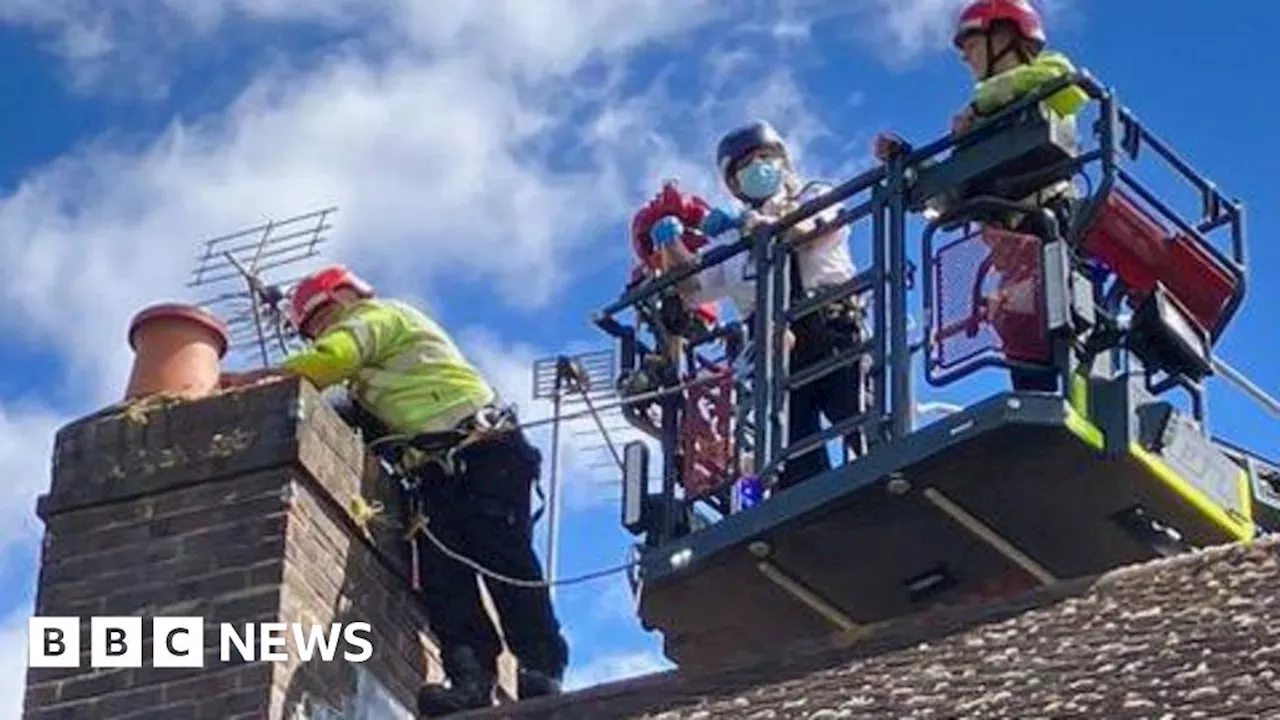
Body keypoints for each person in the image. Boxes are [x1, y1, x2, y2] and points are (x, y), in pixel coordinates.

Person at [221, 265, 568, 715]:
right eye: (312, 330)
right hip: (433, 472)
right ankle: (471, 680)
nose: (321, 332)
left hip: (483, 451)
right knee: (445, 581)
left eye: (322, 319)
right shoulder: (371, 380)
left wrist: (259, 381)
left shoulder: (378, 317)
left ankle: (540, 665)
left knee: (501, 553)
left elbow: (332, 358)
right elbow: (351, 409)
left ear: (346, 295)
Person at [873, 0, 1089, 392]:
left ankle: (1075, 411)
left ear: (1004, 37)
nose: (967, 60)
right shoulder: (976, 130)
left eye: (971, 47)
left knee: (1065, 330)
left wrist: (980, 103)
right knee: (1019, 331)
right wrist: (911, 167)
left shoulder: (1048, 81)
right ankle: (1040, 430)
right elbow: (952, 196)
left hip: (1050, 228)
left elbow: (1065, 79)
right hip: (1015, 252)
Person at [655, 120, 869, 491]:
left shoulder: (815, 194)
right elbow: (691, 286)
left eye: (765, 157)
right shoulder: (731, 242)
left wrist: (753, 223)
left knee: (865, 428)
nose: (758, 167)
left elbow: (805, 231)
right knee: (795, 461)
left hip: (832, 329)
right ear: (735, 183)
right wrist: (671, 242)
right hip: (777, 351)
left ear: (782, 161)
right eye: (745, 165)